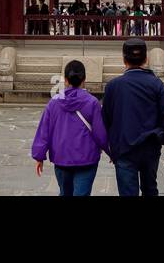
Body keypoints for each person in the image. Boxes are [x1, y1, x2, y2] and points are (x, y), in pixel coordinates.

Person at [102, 38, 164, 196]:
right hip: (150, 145)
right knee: (150, 189)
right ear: (146, 59)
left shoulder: (113, 86)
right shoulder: (156, 84)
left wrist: (110, 147)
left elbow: (105, 119)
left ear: (124, 59)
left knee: (128, 192)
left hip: (124, 147)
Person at [32, 60, 110, 196]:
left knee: (64, 192)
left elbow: (44, 131)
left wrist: (39, 156)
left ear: (66, 80)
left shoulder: (54, 102)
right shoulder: (92, 102)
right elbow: (100, 133)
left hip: (61, 158)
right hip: (87, 158)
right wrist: (110, 151)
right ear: (84, 79)